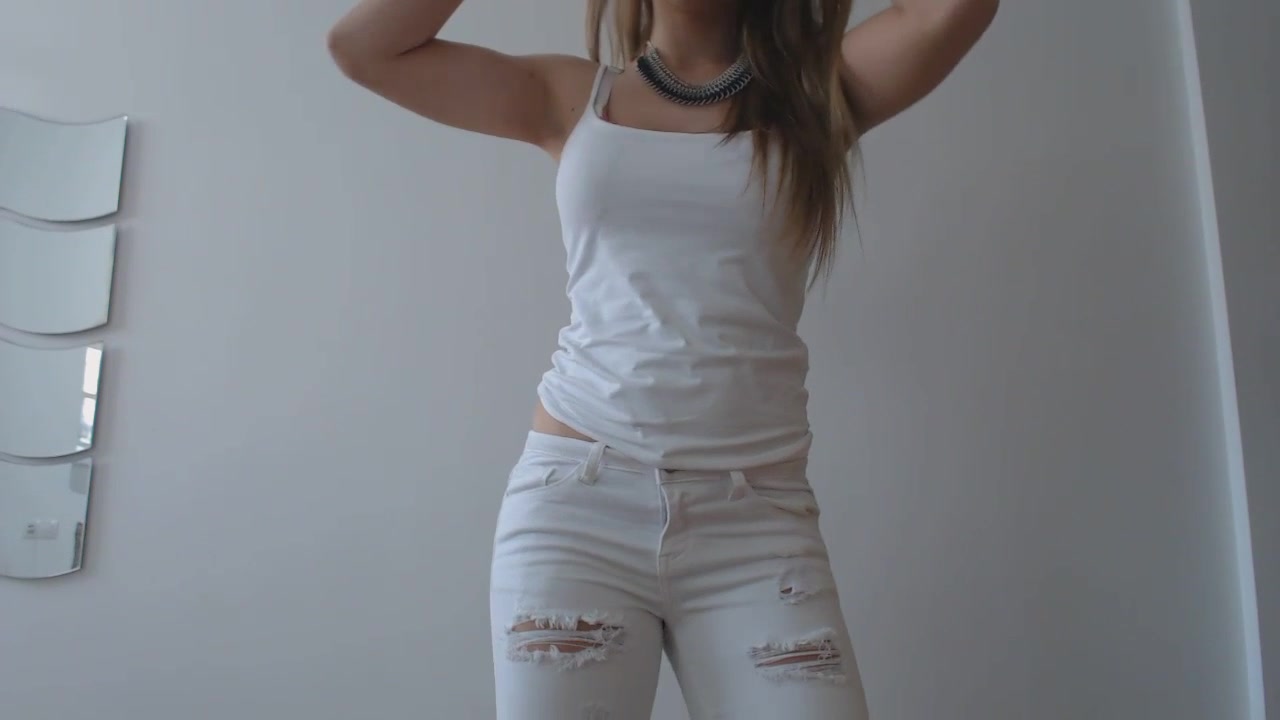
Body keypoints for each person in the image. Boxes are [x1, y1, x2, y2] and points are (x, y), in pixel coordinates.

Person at [327, 1, 997, 717]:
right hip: (577, 508)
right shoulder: (569, 96)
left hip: (756, 523)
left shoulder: (818, 95)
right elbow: (363, 48)